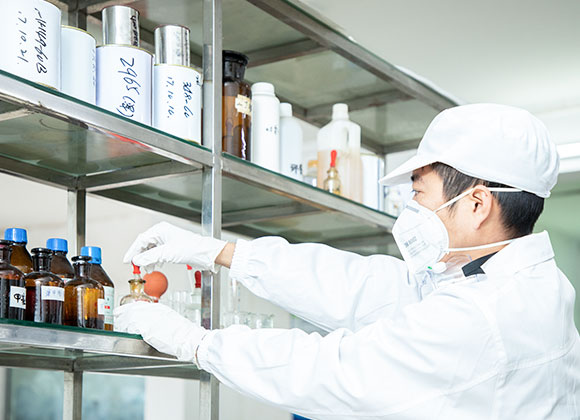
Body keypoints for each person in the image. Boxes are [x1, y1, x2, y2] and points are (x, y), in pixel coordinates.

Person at [116, 104, 580, 419]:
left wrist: (192, 341)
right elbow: (364, 286)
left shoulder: (483, 314)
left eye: (419, 195)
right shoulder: (519, 283)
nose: (412, 213)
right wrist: (220, 252)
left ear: (478, 205)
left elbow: (331, 369)